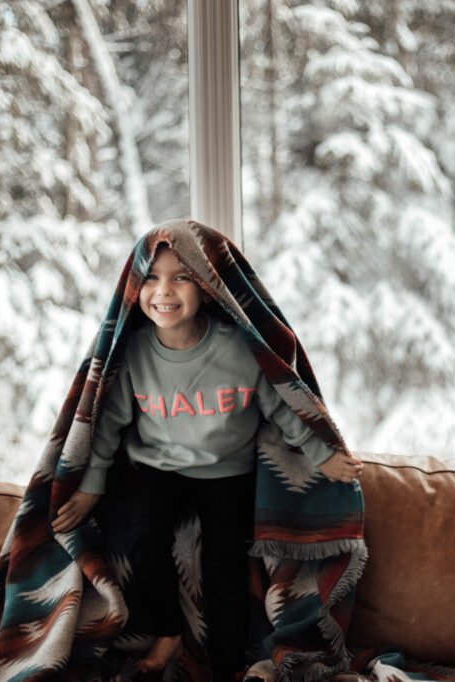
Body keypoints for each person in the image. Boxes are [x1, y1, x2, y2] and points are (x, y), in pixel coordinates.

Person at [50, 243, 365, 681]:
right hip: (159, 467)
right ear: (134, 287)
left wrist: (321, 454)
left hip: (227, 471)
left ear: (205, 286)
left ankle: (228, 667)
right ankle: (167, 632)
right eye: (151, 277)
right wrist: (91, 486)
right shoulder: (134, 351)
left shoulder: (237, 348)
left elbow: (280, 408)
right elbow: (107, 425)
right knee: (145, 543)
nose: (163, 290)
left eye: (180, 276)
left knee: (226, 569)